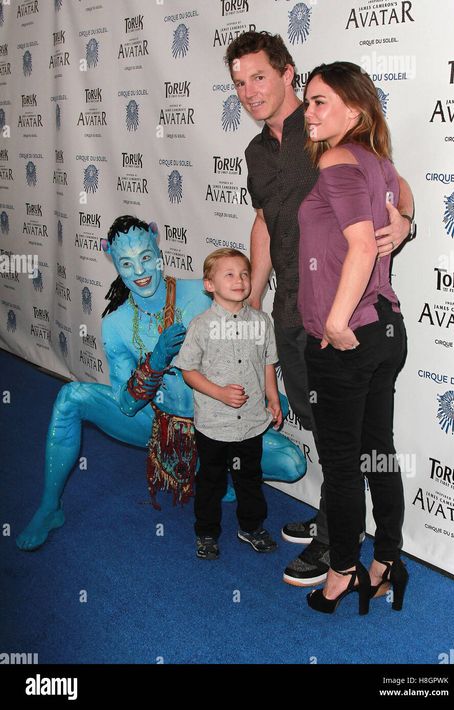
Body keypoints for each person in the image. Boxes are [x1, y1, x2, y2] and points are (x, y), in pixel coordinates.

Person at [226, 31, 415, 587]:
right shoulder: (257, 152)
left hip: (341, 313)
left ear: (288, 73)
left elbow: (393, 182)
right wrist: (252, 297)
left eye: (259, 76)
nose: (249, 91)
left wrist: (403, 218)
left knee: (346, 439)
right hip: (292, 308)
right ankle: (344, 523)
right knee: (324, 424)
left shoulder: (325, 139)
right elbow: (264, 222)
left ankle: (339, 547)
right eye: (239, 83)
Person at [16, 217, 305, 551]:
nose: (139, 271)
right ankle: (50, 508)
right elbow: (126, 404)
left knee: (292, 464)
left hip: (216, 418)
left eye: (145, 257)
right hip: (155, 423)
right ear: (111, 259)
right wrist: (154, 363)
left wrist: (268, 394)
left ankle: (215, 471)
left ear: (157, 247)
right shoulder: (116, 322)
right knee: (70, 397)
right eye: (126, 262)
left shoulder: (202, 289)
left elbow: (253, 330)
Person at [298, 61, 409, 614]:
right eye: (308, 100)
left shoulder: (340, 160)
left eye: (321, 102)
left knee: (342, 464)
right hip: (388, 329)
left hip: (352, 336)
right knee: (377, 453)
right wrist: (405, 218)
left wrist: (336, 324)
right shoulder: (377, 162)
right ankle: (387, 559)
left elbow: (362, 247)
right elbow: (401, 194)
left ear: (355, 110)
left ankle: (343, 569)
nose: (309, 111)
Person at [174, 248, 282, 560]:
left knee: (250, 477)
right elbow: (188, 370)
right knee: (210, 480)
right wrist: (219, 393)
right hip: (213, 423)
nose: (240, 280)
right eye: (230, 274)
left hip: (251, 421)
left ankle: (251, 526)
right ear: (209, 284)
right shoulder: (201, 326)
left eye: (245, 274)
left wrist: (272, 398)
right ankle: (206, 533)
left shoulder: (262, 322)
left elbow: (267, 363)